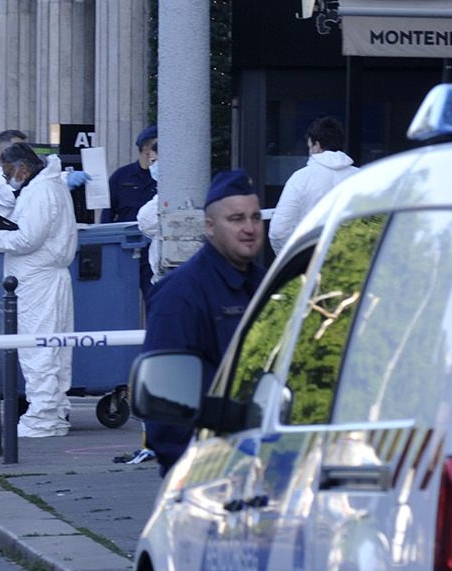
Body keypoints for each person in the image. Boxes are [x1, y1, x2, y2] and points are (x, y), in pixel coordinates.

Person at [141, 169, 265, 474]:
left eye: (255, 217)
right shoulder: (181, 295)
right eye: (236, 219)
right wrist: (193, 473)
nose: (249, 228)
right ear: (209, 227)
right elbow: (165, 403)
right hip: (212, 471)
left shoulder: (268, 285)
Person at [0, 142, 77, 438]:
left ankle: (43, 418)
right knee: (53, 348)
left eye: (7, 171)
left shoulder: (41, 191)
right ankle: (53, 411)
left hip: (38, 281)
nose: (6, 178)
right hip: (45, 278)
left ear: (22, 169)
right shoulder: (48, 187)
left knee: (38, 348)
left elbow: (28, 240)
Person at [268, 116, 358, 254]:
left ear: (316, 145)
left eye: (309, 146)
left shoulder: (301, 178)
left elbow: (278, 232)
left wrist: (294, 261)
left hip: (310, 263)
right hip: (353, 263)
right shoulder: (361, 177)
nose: (309, 151)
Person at [104, 125, 157, 225]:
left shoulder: (164, 178)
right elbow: (107, 212)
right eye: (157, 148)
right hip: (124, 236)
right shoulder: (121, 176)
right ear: (146, 150)